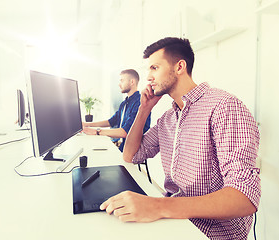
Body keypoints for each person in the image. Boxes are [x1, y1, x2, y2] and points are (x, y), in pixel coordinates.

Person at [99, 38, 260, 240]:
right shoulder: (168, 118)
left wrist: (157, 206)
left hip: (211, 233)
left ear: (180, 67)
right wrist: (144, 109)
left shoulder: (224, 106)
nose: (148, 77)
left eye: (154, 68)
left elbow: (244, 198)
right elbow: (131, 155)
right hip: (176, 220)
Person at [82, 69, 151, 152]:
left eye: (122, 81)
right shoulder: (124, 103)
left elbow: (125, 132)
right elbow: (111, 121)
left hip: (133, 148)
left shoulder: (140, 102)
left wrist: (97, 132)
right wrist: (87, 124)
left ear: (132, 82)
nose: (119, 84)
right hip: (121, 145)